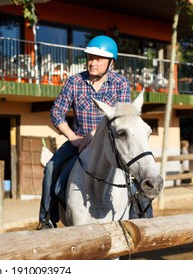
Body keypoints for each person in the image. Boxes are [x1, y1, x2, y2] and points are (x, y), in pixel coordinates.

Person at [37, 35, 131, 230]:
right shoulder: (74, 82)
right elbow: (56, 113)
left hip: (109, 144)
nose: (92, 63)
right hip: (77, 143)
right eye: (90, 57)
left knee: (136, 171)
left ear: (110, 62)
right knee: (52, 168)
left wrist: (95, 134)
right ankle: (47, 219)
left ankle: (141, 216)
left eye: (99, 59)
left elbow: (122, 115)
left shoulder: (121, 84)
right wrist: (73, 138)